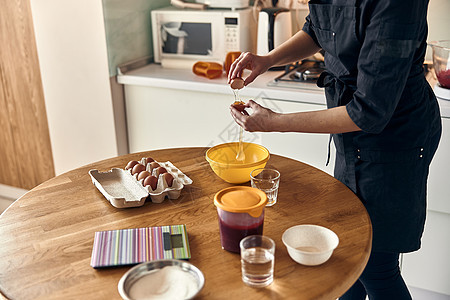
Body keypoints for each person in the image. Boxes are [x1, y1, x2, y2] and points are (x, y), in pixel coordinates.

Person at [228, 1, 442, 299]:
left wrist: (274, 122)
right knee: (348, 250)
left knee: (376, 265)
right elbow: (317, 29)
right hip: (352, 134)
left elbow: (369, 112)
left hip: (396, 137)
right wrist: (268, 60)